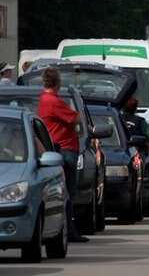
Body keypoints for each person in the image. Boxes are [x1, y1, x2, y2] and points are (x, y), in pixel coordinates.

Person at [37, 66, 89, 243]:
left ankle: (66, 229)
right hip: (65, 150)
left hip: (58, 149)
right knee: (68, 192)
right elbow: (76, 119)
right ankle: (68, 229)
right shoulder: (53, 101)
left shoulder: (44, 99)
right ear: (58, 83)